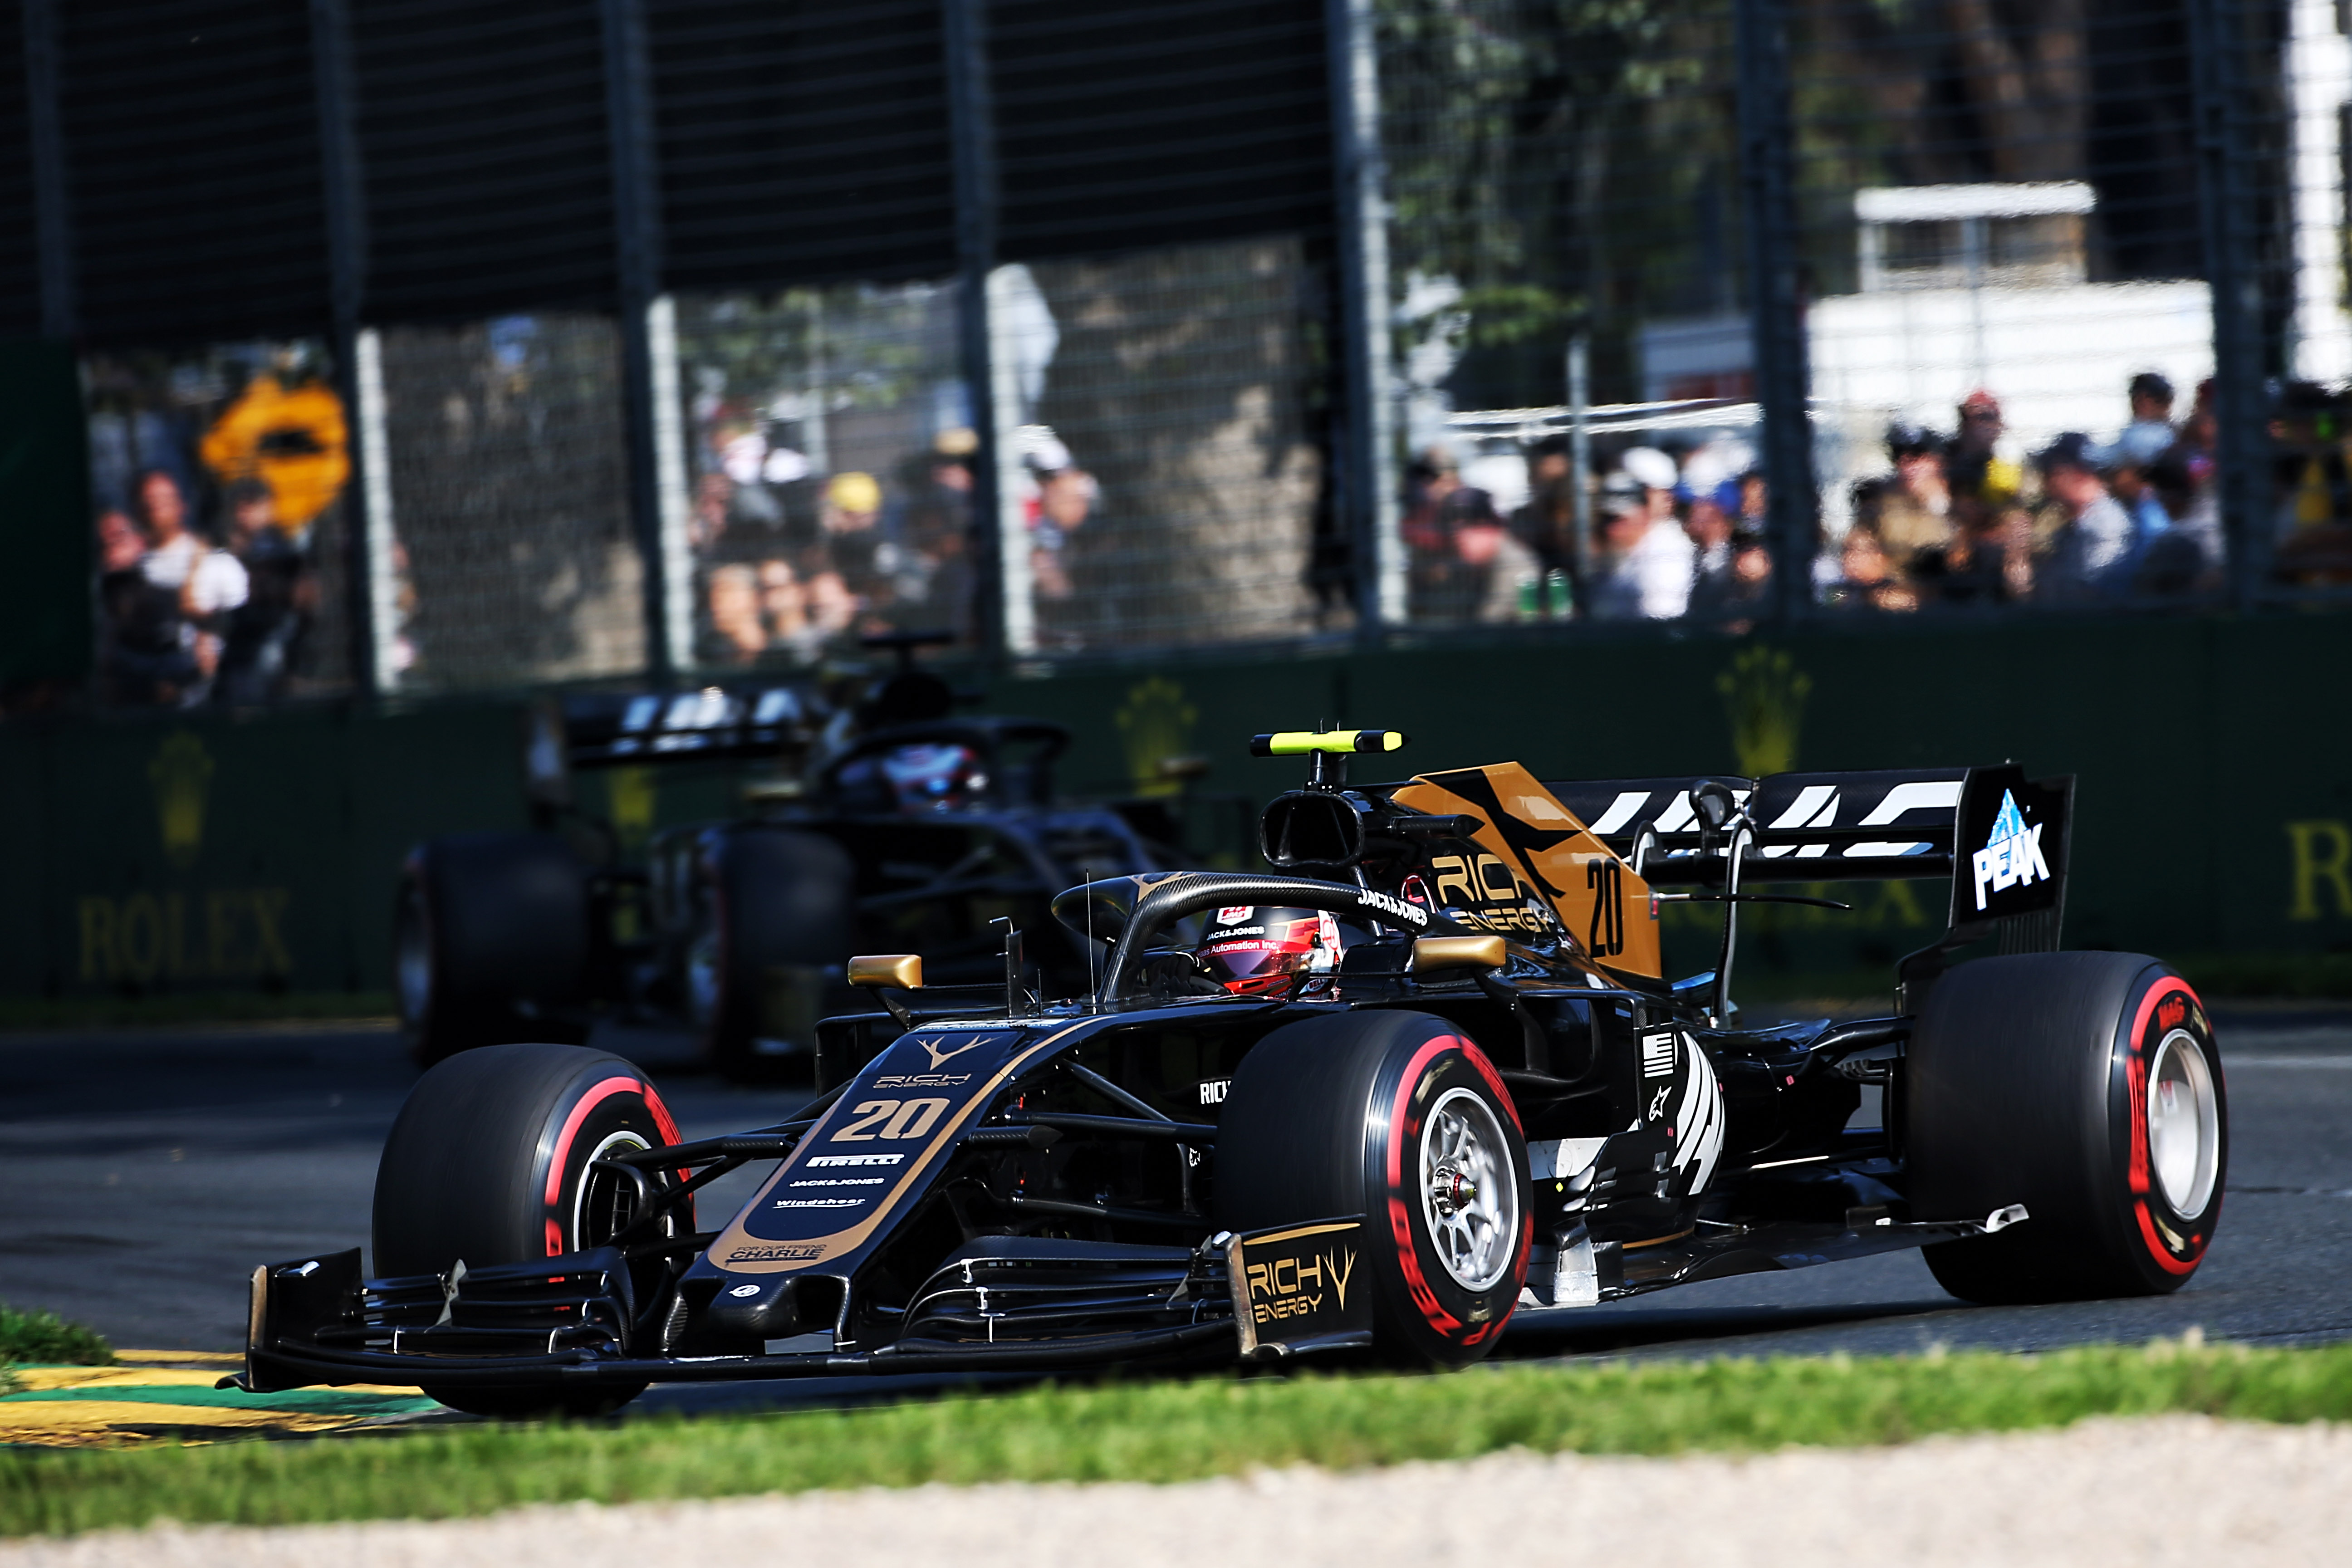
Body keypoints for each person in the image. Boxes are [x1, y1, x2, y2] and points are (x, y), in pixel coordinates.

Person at [215, 479, 311, 706]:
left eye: (254, 504)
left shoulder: (281, 545)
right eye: (242, 505)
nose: (246, 512)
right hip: (238, 636)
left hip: (275, 633)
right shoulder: (219, 550)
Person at [2033, 433, 2136, 599]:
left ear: (2078, 475)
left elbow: (2097, 588)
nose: (2046, 482)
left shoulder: (2105, 525)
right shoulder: (2079, 520)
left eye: (2052, 473)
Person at [1876, 423, 1955, 567]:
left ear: (1938, 459)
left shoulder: (1962, 496)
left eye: (1917, 453)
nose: (1905, 462)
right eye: (1898, 453)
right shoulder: (1888, 507)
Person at [2116, 372, 2179, 466]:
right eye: (2136, 398)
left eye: (2151, 399)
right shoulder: (2133, 432)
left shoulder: (2170, 434)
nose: (2140, 404)